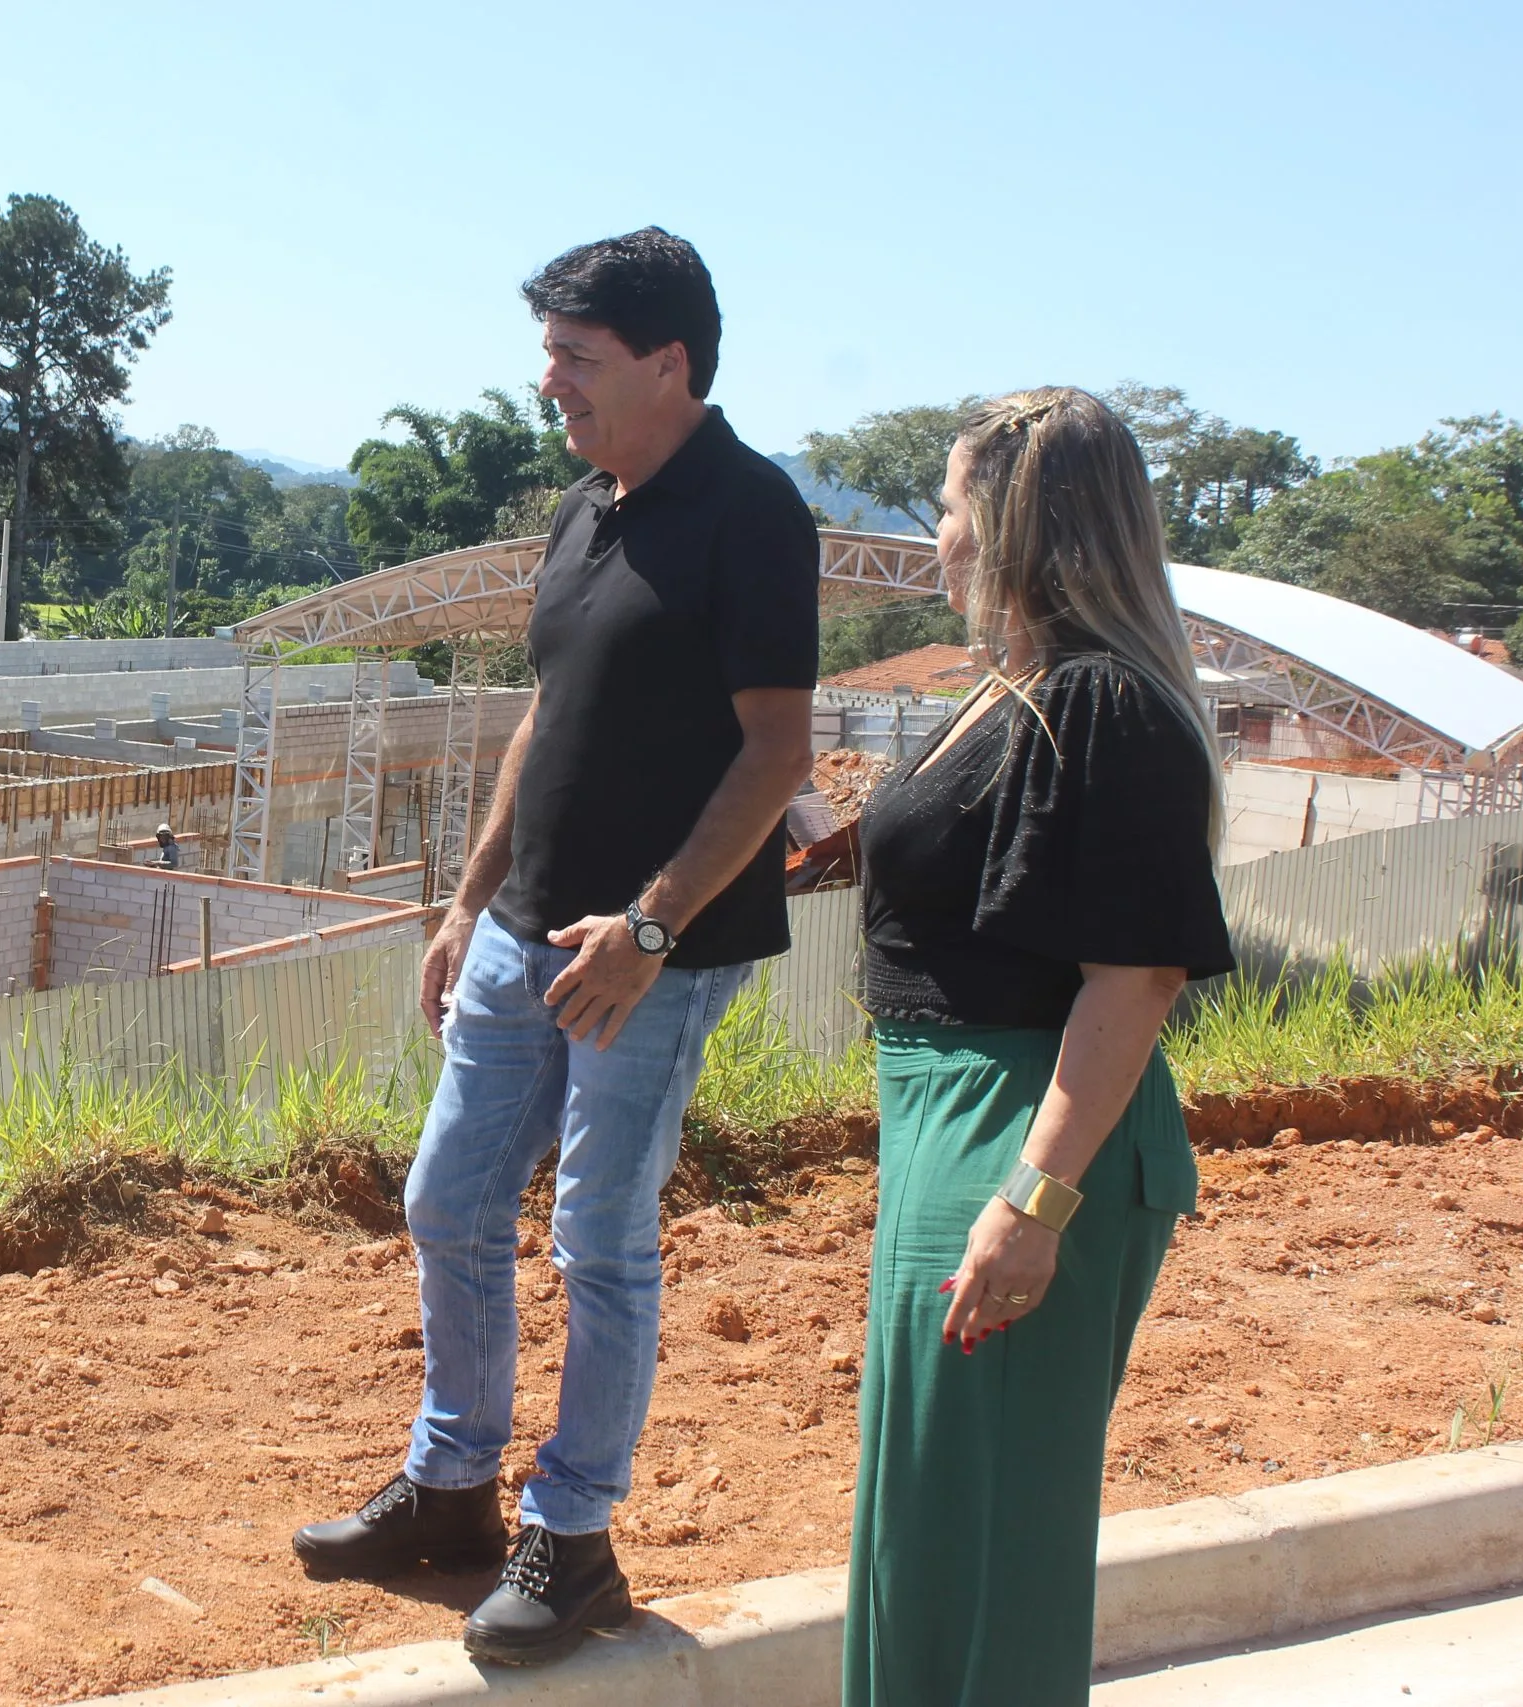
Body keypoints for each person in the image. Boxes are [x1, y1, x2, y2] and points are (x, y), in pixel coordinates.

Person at [291, 229, 818, 1666]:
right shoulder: (589, 510)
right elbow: (545, 719)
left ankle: (573, 1537)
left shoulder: (752, 512)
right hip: (527, 933)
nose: (552, 386)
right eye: (550, 357)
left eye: (578, 360)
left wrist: (650, 926)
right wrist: (470, 898)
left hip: (649, 950)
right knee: (448, 1200)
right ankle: (453, 1491)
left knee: (597, 1234)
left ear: (670, 362)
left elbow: (779, 751)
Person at [843, 387, 1235, 1706]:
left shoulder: (1105, 705)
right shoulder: (1019, 692)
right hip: (948, 1122)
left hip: (1021, 1131)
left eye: (952, 505)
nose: (938, 536)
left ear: (1015, 523)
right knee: (924, 1526)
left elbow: (1136, 977)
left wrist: (1035, 1194)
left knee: (984, 1544)